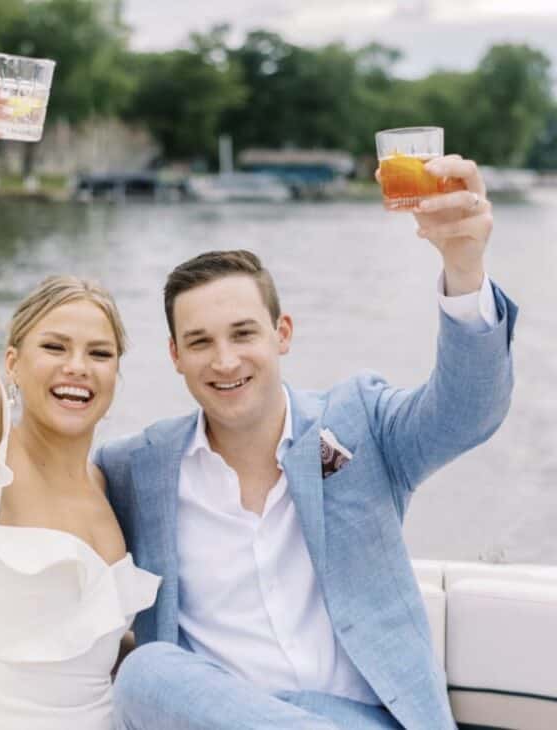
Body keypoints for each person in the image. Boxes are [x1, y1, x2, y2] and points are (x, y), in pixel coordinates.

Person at [97, 160, 516, 730]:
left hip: (371, 719)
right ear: (175, 357)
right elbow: (24, 478)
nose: (224, 361)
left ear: (282, 334)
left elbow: (468, 412)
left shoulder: (360, 423)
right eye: (200, 342)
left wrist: (464, 267)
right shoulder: (134, 468)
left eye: (244, 333)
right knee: (147, 674)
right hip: (228, 719)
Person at [0, 73, 160, 730]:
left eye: (100, 354)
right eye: (55, 347)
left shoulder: (115, 486)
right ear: (13, 366)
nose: (78, 368)